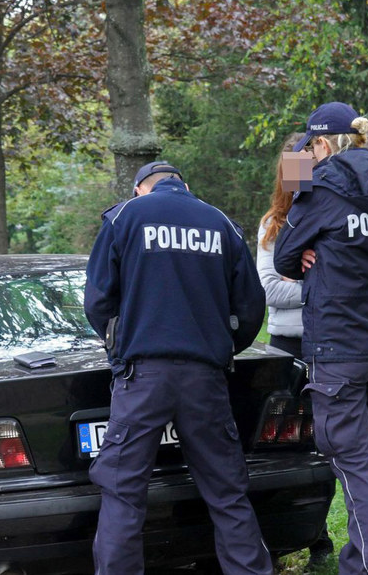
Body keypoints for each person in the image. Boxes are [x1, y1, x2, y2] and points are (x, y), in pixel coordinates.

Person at [85, 161, 271, 575]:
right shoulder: (220, 222)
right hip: (205, 376)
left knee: (123, 491)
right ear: (185, 186)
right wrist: (225, 347)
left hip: (142, 376)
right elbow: (251, 305)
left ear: (140, 190)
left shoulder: (123, 217)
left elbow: (98, 300)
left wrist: (121, 346)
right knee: (227, 491)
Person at [273, 102, 368, 575]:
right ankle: (364, 559)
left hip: (339, 348)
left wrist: (311, 245)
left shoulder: (324, 186)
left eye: (310, 146)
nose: (306, 155)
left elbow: (284, 255)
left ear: (324, 144)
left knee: (355, 466)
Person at [256, 133, 335, 567]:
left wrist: (305, 281)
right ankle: (299, 534)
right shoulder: (272, 224)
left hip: (326, 340)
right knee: (289, 444)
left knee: (327, 440)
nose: (299, 172)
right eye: (293, 164)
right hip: (286, 345)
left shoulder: (330, 215)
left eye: (306, 161)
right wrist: (313, 282)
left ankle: (320, 535)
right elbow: (269, 288)